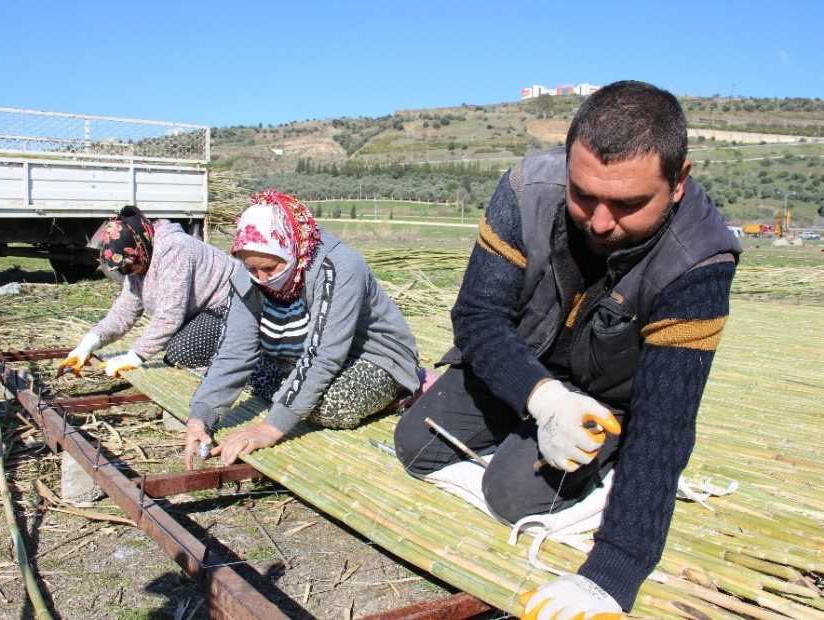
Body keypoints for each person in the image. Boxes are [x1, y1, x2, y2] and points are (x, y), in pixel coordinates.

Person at [393, 81, 740, 617]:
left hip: (610, 398)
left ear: (678, 182)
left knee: (510, 494)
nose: (600, 222)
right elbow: (477, 317)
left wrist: (613, 572)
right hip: (527, 369)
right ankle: (534, 427)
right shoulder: (526, 191)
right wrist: (545, 400)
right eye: (584, 195)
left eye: (627, 204)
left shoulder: (699, 260)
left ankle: (603, 466)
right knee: (416, 442)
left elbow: (666, 421)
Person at [183, 190, 420, 469]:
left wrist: (270, 428)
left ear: (292, 249)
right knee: (255, 379)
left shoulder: (338, 267)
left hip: (373, 357)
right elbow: (235, 350)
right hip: (304, 354)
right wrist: (201, 416)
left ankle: (395, 396)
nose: (261, 279)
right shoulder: (248, 275)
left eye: (270, 269)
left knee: (332, 405)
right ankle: (295, 393)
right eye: (252, 269)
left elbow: (323, 355)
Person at [58, 206, 235, 378]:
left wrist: (135, 356)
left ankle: (234, 368)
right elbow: (124, 312)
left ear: (139, 247)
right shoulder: (140, 256)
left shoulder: (175, 249)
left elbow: (170, 314)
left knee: (182, 351)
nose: (128, 271)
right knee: (170, 344)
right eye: (123, 269)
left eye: (129, 265)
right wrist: (87, 345)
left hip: (232, 303)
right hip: (205, 309)